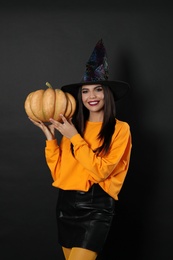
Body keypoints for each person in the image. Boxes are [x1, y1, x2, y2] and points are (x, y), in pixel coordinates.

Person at [29, 39, 132, 260]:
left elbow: (101, 172)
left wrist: (74, 137)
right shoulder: (72, 126)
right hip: (66, 205)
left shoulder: (120, 129)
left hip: (97, 208)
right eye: (85, 91)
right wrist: (51, 139)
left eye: (98, 90)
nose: (91, 96)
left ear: (108, 93)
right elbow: (59, 173)